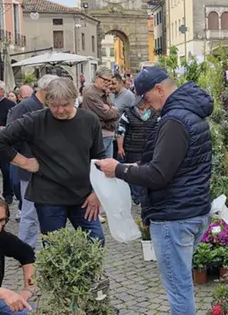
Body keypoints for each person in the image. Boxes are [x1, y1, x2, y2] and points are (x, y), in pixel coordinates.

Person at [97, 67, 213, 315]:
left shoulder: (175, 121)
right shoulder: (189, 113)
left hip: (174, 216)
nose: (148, 106)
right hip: (191, 209)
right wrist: (130, 166)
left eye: (147, 99)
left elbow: (159, 175)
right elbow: (176, 164)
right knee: (182, 287)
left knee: (179, 293)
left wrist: (119, 170)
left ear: (159, 89)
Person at [0, 78, 106, 244]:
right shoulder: (35, 120)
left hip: (84, 197)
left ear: (74, 99)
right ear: (46, 101)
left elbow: (99, 157)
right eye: (54, 105)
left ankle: (88, 272)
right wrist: (24, 162)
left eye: (65, 104)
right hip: (49, 199)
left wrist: (97, 192)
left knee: (96, 241)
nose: (60, 110)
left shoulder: (89, 120)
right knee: (54, 247)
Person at [5, 77, 56, 248]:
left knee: (49, 211)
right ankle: (26, 249)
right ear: (46, 89)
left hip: (49, 168)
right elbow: (9, 138)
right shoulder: (25, 107)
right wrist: (23, 160)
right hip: (30, 169)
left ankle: (51, 248)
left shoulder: (50, 107)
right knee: (29, 212)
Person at [115, 100, 159, 205]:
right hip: (132, 149)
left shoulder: (156, 114)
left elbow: (159, 130)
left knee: (144, 172)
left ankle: (140, 197)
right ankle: (137, 197)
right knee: (134, 173)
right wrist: (120, 147)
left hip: (149, 149)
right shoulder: (128, 113)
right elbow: (120, 130)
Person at [80, 67, 118, 159]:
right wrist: (112, 110)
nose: (108, 83)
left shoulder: (103, 93)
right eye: (105, 80)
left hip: (107, 135)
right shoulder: (91, 94)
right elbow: (106, 114)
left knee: (107, 168)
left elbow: (115, 112)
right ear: (97, 78)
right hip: (100, 136)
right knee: (100, 168)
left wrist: (112, 110)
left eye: (110, 81)